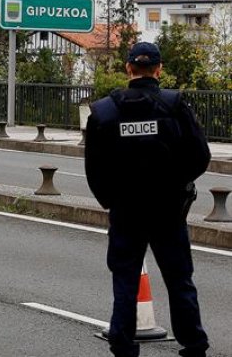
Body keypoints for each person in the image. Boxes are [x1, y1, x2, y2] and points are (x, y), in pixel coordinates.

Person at [84, 42, 211, 357]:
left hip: (126, 211)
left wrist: (110, 200)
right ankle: (193, 343)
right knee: (180, 279)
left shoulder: (103, 111)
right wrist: (179, 183)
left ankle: (123, 343)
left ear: (128, 68)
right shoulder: (174, 104)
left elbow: (94, 166)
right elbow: (201, 155)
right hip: (169, 210)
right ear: (159, 69)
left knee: (125, 278)